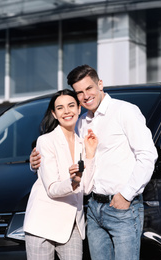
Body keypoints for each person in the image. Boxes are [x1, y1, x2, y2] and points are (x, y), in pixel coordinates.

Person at [30, 65, 158, 260]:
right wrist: (35, 163)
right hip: (92, 210)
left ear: (100, 84)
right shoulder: (80, 122)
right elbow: (61, 158)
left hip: (121, 208)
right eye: (79, 92)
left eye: (89, 88)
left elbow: (147, 155)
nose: (86, 95)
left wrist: (125, 195)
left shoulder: (125, 111)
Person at [24, 89, 98, 260]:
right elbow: (52, 189)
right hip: (42, 223)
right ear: (54, 114)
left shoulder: (83, 143)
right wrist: (73, 182)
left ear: (79, 109)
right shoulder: (46, 141)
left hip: (72, 224)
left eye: (71, 106)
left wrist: (91, 154)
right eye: (60, 108)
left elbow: (86, 189)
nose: (67, 111)